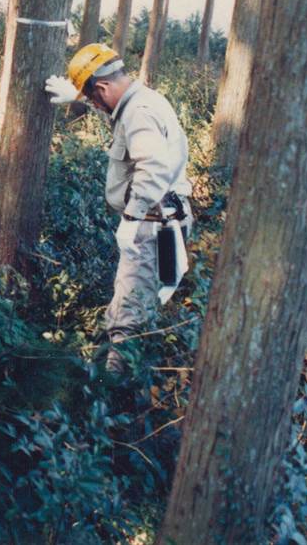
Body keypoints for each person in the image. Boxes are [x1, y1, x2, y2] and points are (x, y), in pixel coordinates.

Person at [45, 43, 192, 372]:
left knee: (128, 315)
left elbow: (153, 167)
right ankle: (130, 373)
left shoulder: (138, 112)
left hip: (151, 224)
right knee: (138, 305)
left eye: (94, 97)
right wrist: (80, 98)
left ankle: (113, 391)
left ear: (102, 86)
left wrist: (132, 215)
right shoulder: (138, 101)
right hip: (158, 219)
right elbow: (116, 109)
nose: (96, 105)